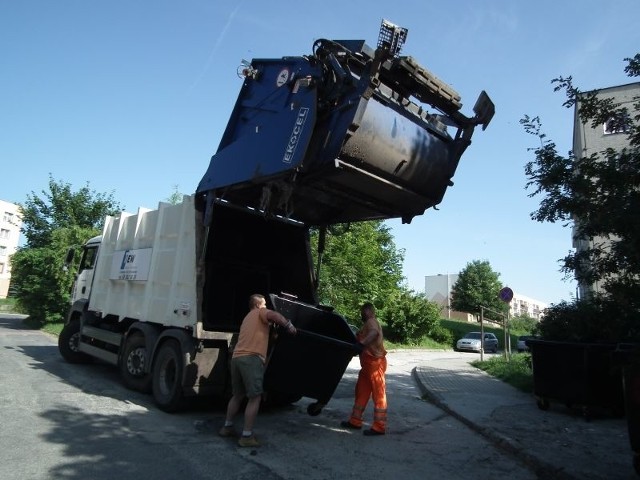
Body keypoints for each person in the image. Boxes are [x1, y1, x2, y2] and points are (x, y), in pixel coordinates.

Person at [219, 293, 296, 447]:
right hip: (250, 359)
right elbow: (273, 315)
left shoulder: (247, 318)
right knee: (255, 398)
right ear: (257, 305)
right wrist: (288, 325)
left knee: (237, 395)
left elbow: (265, 336)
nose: (266, 306)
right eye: (265, 304)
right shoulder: (260, 312)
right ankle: (246, 436)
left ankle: (227, 427)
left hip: (237, 358)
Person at [341, 302, 388, 436]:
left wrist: (361, 343)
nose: (361, 314)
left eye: (363, 311)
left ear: (368, 311)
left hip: (375, 364)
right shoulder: (367, 324)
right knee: (361, 392)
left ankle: (379, 427)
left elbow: (373, 333)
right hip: (367, 366)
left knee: (379, 395)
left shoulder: (371, 322)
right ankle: (355, 421)